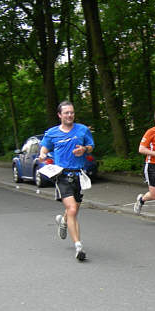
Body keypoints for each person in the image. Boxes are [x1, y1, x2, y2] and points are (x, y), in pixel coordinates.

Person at [39, 101, 95, 261]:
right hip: (62, 175)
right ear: (59, 115)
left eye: (72, 112)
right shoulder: (52, 133)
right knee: (72, 209)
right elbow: (44, 147)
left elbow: (91, 146)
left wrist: (84, 149)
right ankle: (78, 246)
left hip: (79, 174)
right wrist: (43, 155)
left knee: (74, 210)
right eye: (66, 113)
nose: (70, 115)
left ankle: (63, 221)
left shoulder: (82, 130)